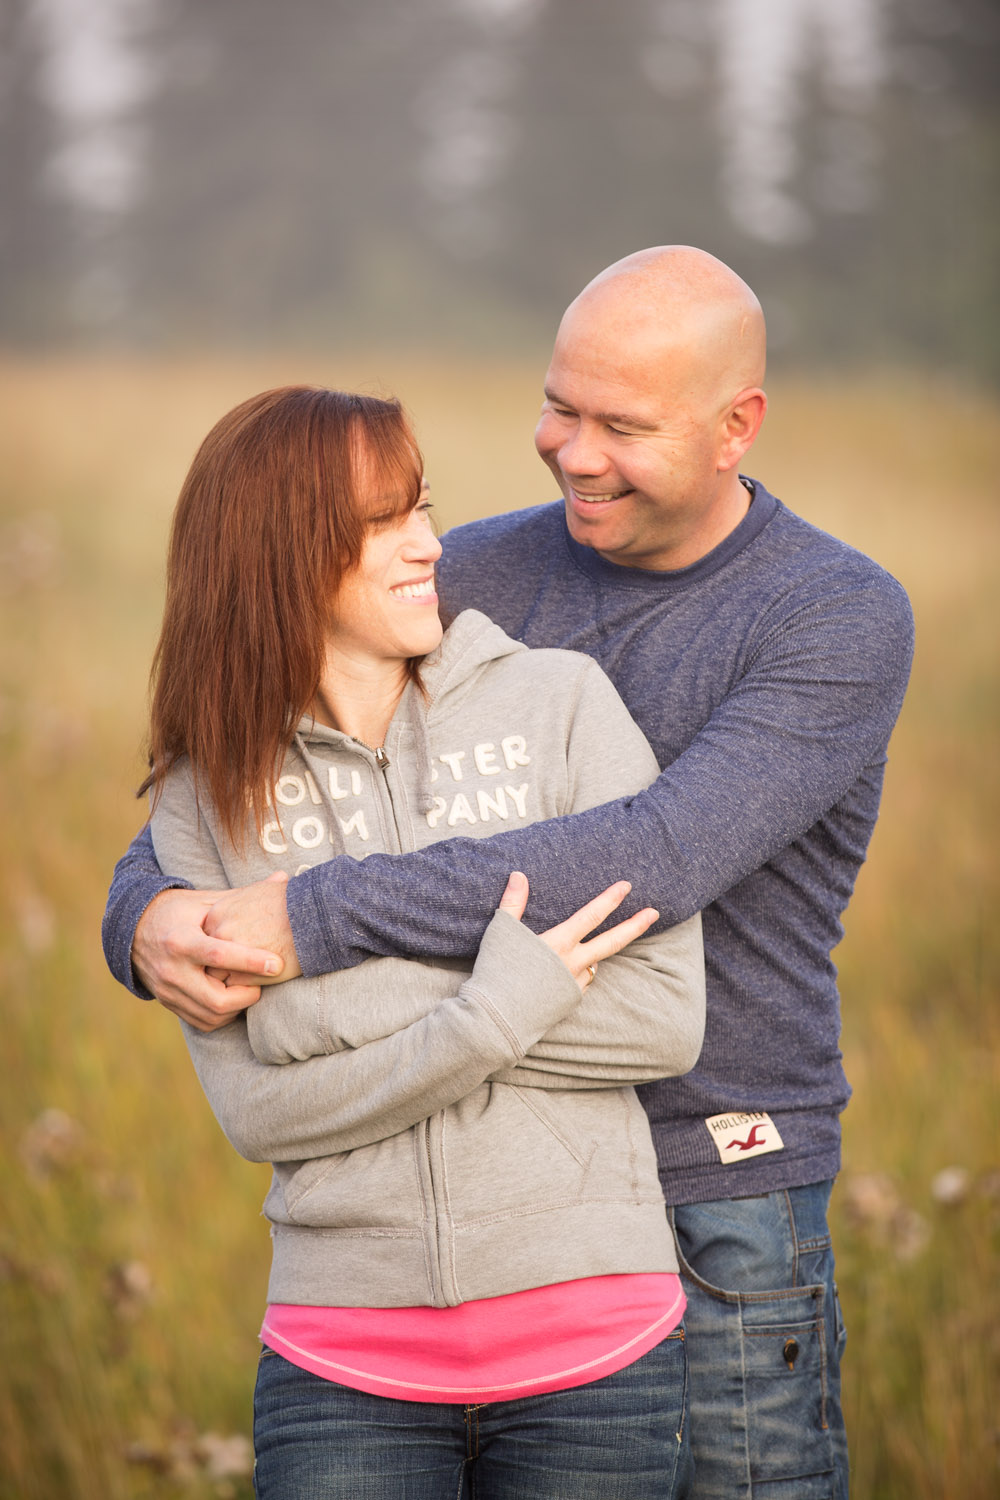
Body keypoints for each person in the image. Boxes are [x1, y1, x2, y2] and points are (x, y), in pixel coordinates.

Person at [104, 248, 915, 1499]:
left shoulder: (831, 616)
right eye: (559, 407)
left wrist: (313, 937)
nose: (571, 451)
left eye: (620, 426)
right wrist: (143, 915)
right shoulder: (471, 572)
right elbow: (243, 781)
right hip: (453, 1196)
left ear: (733, 428)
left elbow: (654, 855)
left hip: (715, 1182)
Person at [139, 384, 706, 1498]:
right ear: (277, 551)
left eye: (425, 508)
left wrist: (324, 1008)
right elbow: (259, 1112)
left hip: (597, 1347)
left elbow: (660, 1017)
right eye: (383, 522)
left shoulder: (558, 707)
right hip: (342, 1365)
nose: (430, 546)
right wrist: (500, 997)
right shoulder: (202, 795)